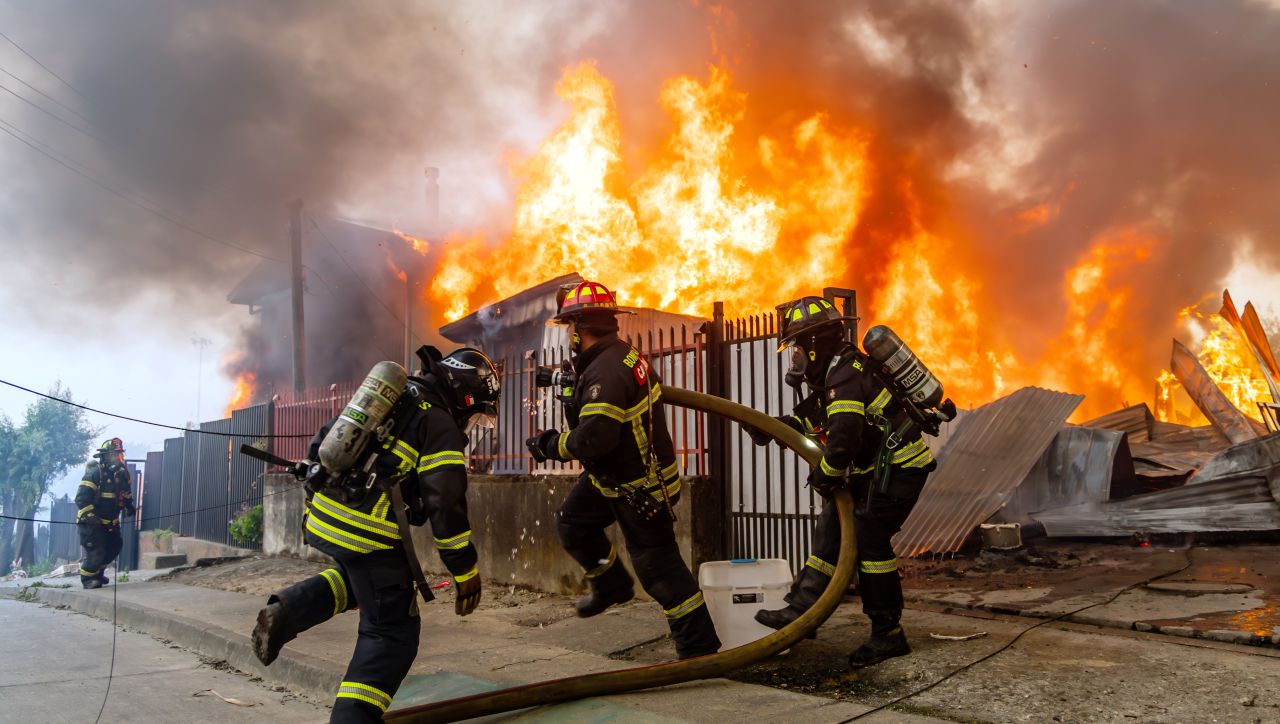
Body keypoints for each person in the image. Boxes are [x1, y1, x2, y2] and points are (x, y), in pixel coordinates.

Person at [251, 348, 499, 723]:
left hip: (323, 517)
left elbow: (324, 442)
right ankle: (353, 719)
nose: (471, 423)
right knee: (392, 632)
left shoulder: (391, 397)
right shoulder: (441, 426)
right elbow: (445, 504)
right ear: (465, 398)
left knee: (365, 582)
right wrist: (464, 571)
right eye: (476, 413)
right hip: (367, 531)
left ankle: (286, 612)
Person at [525, 280, 720, 659]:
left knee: (659, 571)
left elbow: (594, 439)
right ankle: (611, 584)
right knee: (573, 521)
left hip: (641, 488)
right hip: (610, 479)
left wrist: (549, 445)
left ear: (580, 327)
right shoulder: (618, 358)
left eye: (570, 329)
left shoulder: (606, 372)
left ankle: (699, 651)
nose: (569, 337)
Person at [747, 296, 936, 668]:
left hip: (899, 469)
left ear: (814, 345)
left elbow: (845, 437)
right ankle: (802, 612)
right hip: (873, 472)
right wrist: (772, 428)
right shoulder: (833, 374)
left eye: (797, 348)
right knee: (831, 527)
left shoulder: (846, 373)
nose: (795, 358)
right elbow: (820, 424)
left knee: (869, 542)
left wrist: (826, 475)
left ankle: (888, 634)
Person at [75, 438, 135, 589]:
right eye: (113, 455)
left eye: (118, 455)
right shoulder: (96, 474)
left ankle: (98, 574)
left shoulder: (121, 475)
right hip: (92, 522)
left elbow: (125, 493)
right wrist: (90, 516)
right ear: (104, 456)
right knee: (97, 549)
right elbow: (82, 498)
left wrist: (129, 506)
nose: (116, 459)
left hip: (111, 522)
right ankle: (87, 579)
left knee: (114, 546)